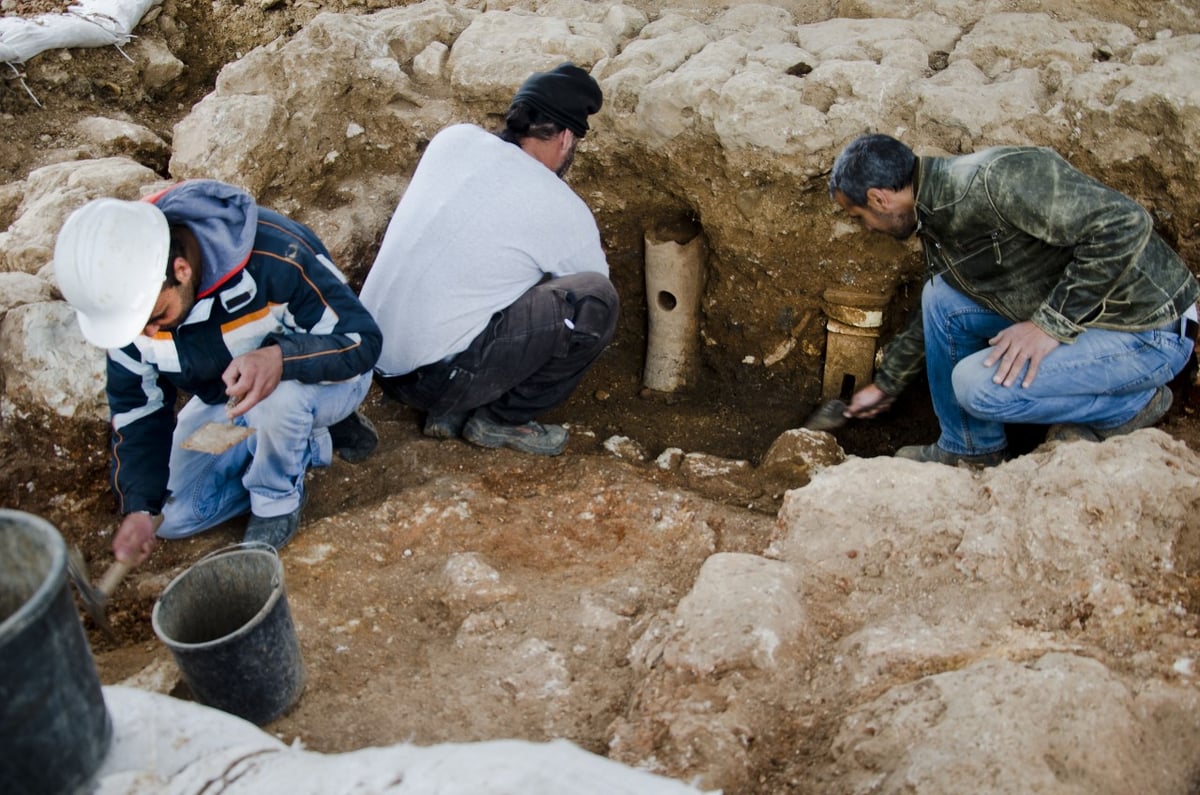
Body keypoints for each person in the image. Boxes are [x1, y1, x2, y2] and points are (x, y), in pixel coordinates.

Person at [54, 180, 383, 562]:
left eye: (156, 318)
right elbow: (138, 410)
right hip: (234, 398)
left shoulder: (276, 258)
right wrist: (140, 507)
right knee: (172, 514)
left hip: (328, 378)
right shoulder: (135, 306)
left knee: (278, 399)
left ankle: (276, 498)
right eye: (135, 326)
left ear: (180, 270)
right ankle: (312, 440)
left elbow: (363, 339)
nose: (148, 334)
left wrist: (280, 358)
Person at [828, 133, 1199, 466]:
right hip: (1093, 317)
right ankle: (971, 448)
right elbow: (937, 307)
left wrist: (1047, 326)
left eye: (859, 216)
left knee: (974, 386)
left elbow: (1126, 223)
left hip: (1149, 329)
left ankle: (1131, 407)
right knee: (941, 297)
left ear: (879, 198)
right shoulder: (933, 210)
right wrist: (886, 383)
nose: (866, 227)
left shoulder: (993, 180)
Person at [359, 61, 619, 456]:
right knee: (594, 300)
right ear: (566, 138)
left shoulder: (454, 139)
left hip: (368, 358)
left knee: (505, 263)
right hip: (434, 380)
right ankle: (499, 420)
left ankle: (453, 407)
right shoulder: (559, 205)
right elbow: (591, 286)